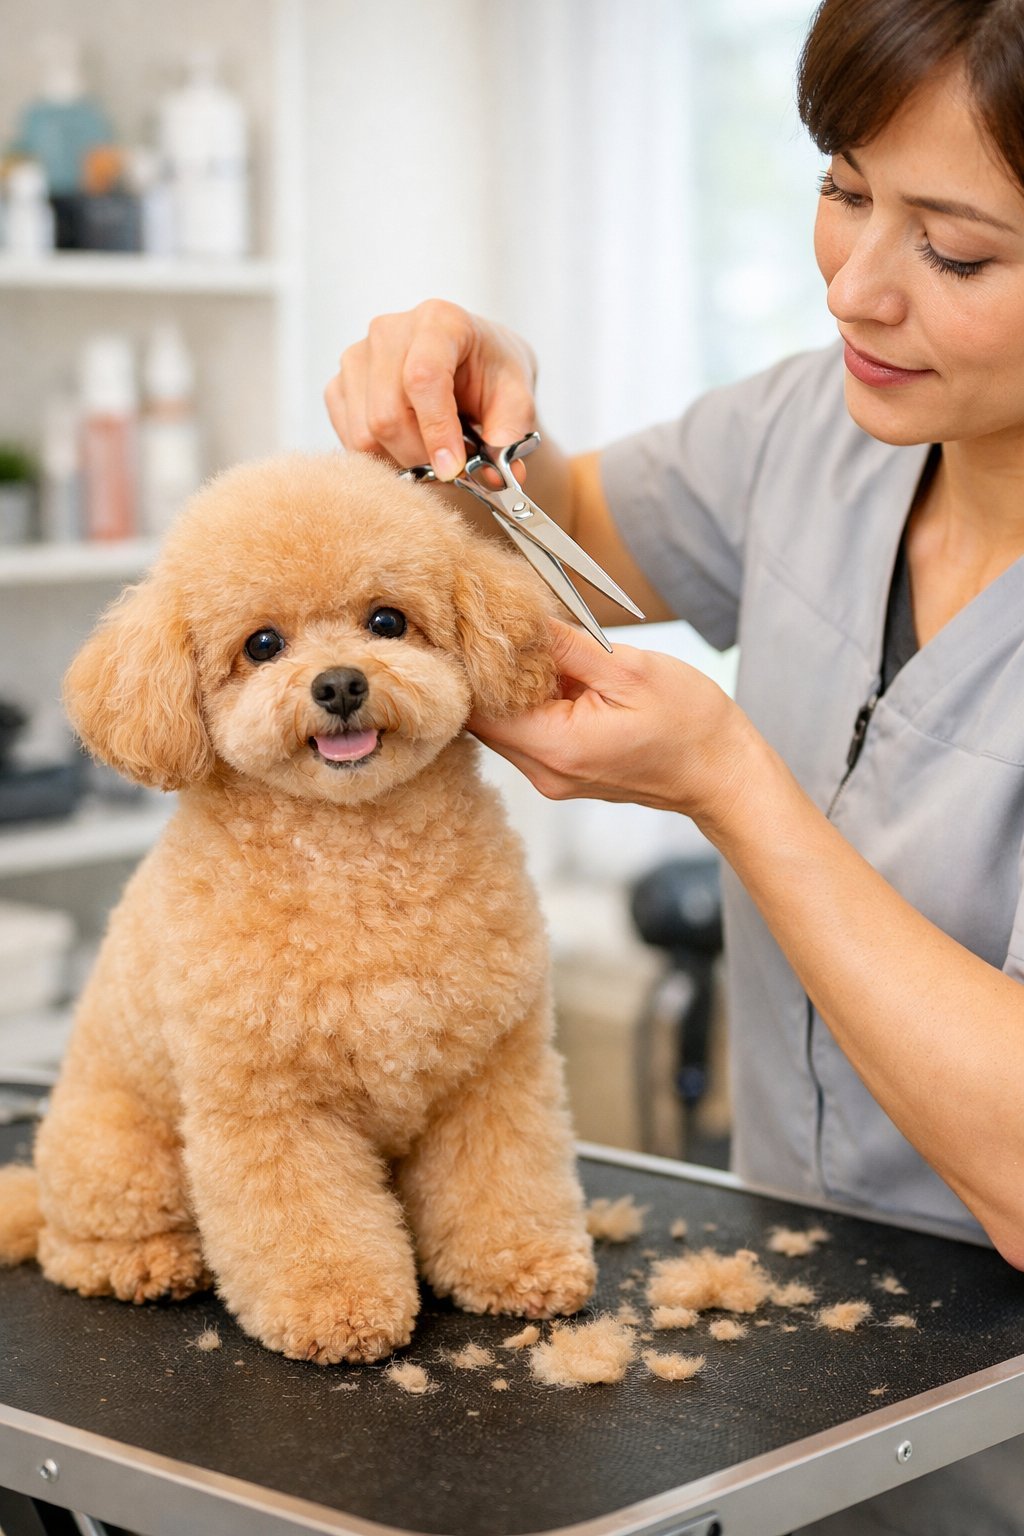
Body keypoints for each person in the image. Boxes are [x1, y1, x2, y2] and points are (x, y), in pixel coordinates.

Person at [325, 1, 1024, 1530]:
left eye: (955, 253)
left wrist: (729, 781)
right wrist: (475, 402)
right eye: (843, 187)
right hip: (798, 1337)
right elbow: (562, 532)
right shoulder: (815, 429)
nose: (854, 283)